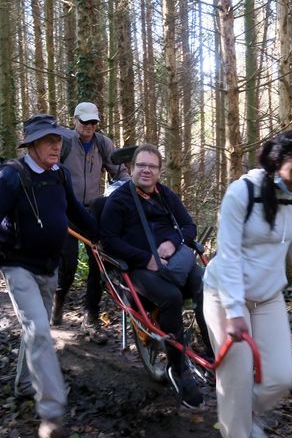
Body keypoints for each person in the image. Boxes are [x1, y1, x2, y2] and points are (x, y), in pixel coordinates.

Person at [202, 130, 292, 438]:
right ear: (277, 163)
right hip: (224, 296)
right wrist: (236, 311)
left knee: (280, 378)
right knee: (235, 381)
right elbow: (228, 256)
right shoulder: (241, 192)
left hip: (268, 298)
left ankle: (243, 411)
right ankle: (237, 427)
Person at [0, 114, 98, 438]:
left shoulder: (60, 175)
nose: (56, 145)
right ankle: (52, 413)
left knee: (35, 330)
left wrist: (106, 239)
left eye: (58, 140)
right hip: (18, 266)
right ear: (32, 144)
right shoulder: (10, 177)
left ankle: (25, 383)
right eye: (48, 141)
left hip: (48, 267)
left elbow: (78, 215)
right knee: (40, 331)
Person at [100, 143, 210, 409]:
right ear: (131, 168)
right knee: (171, 297)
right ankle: (178, 369)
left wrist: (173, 242)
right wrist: (145, 258)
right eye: (141, 165)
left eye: (152, 166)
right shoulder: (119, 200)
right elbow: (109, 240)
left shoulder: (166, 195)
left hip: (175, 263)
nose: (146, 171)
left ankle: (213, 352)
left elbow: (188, 226)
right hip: (139, 267)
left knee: (207, 285)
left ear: (160, 171)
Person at [52, 102, 130, 338]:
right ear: (74, 120)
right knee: (68, 266)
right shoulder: (64, 142)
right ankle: (58, 301)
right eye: (84, 121)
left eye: (93, 122)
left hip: (93, 212)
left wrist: (125, 190)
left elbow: (120, 171)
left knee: (99, 262)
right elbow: (50, 170)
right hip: (66, 211)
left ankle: (91, 316)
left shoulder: (103, 143)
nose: (89, 126)